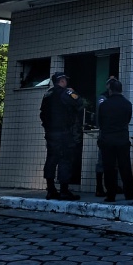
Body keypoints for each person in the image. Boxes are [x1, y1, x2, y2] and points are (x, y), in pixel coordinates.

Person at [40, 72, 84, 201]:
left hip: (50, 133)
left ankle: (51, 189)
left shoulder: (47, 94)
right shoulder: (67, 93)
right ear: (62, 81)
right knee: (65, 159)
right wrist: (73, 92)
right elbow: (79, 102)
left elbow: (42, 113)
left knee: (51, 159)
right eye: (65, 80)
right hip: (64, 133)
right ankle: (64, 190)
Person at [97, 77, 133, 202]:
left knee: (109, 167)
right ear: (121, 90)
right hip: (122, 139)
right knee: (125, 166)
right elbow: (127, 120)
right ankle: (130, 193)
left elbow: (101, 123)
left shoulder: (104, 105)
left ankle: (110, 195)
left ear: (110, 90)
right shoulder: (127, 104)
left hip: (107, 139)